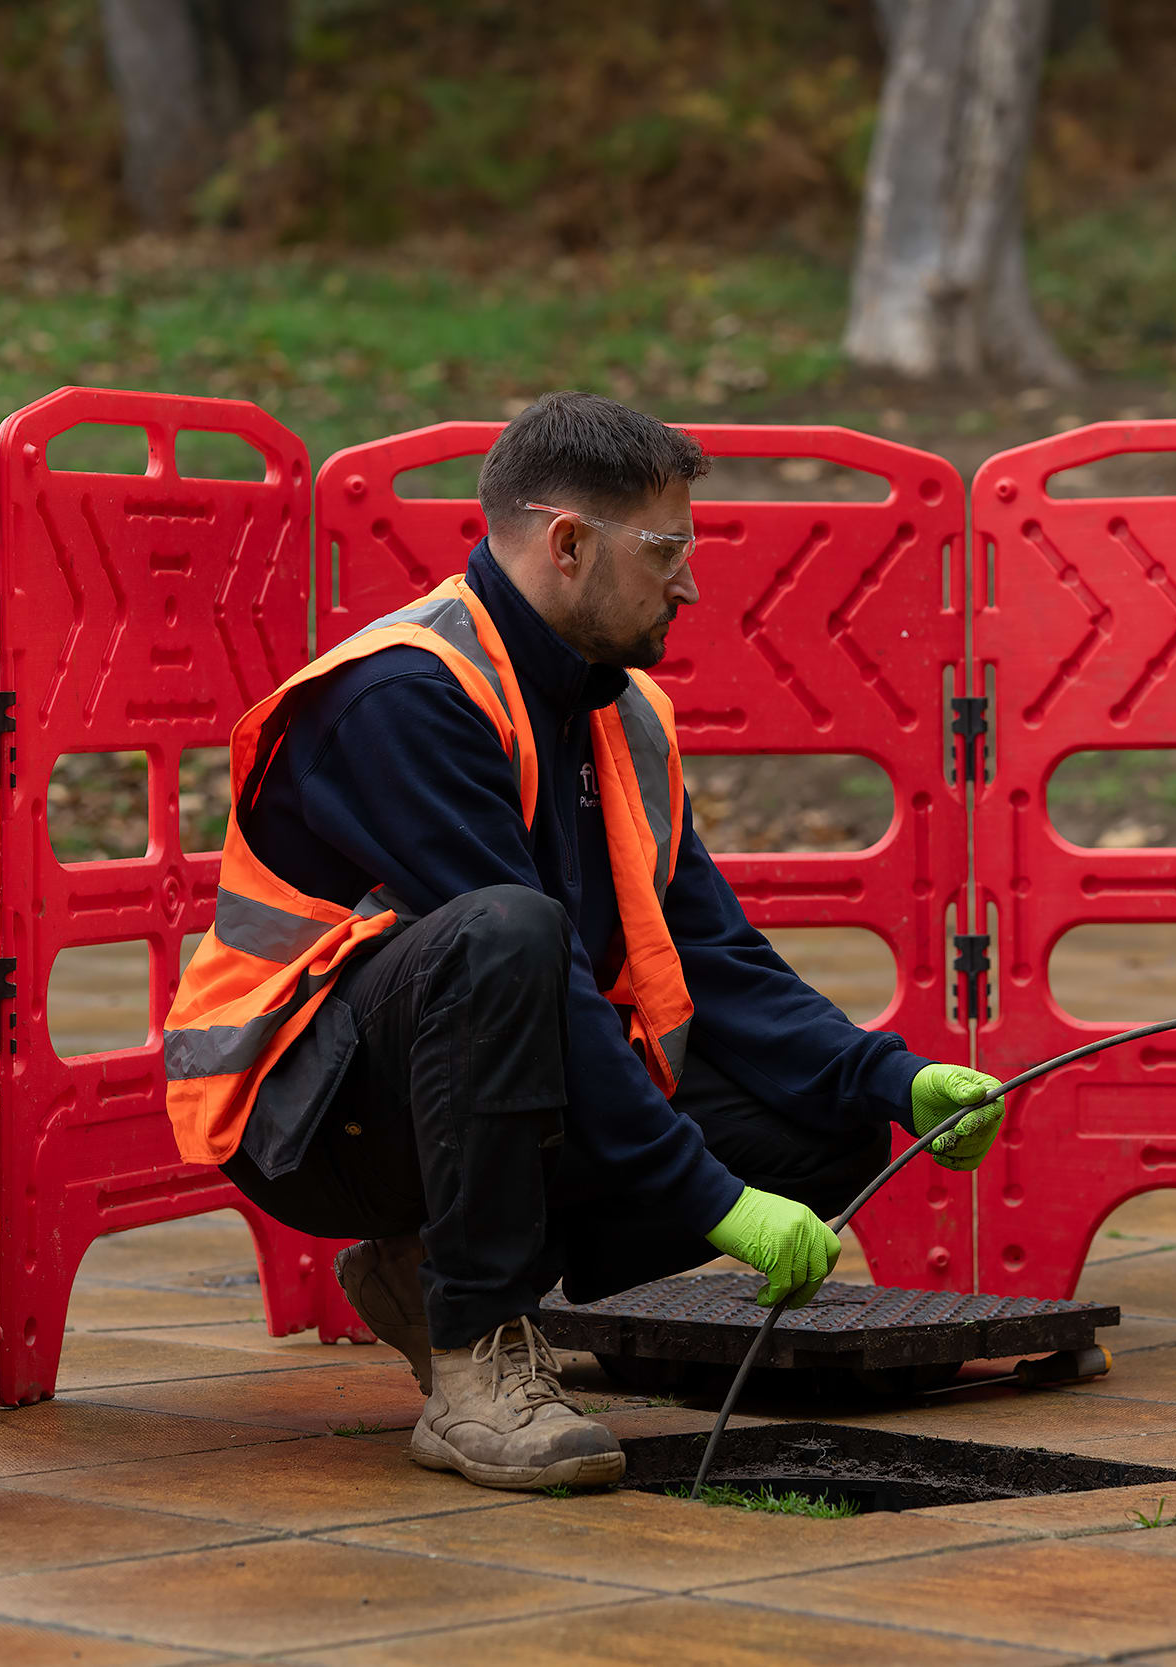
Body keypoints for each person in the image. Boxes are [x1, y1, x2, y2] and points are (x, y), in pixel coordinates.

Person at [162, 390, 1005, 1493]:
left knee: (825, 1126)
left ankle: (430, 1273)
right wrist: (710, 1200)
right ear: (566, 542)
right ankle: (475, 1352)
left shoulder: (623, 712)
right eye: (665, 550)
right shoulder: (403, 693)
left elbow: (712, 954)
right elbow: (529, 972)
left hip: (470, 1085)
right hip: (318, 1117)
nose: (689, 582)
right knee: (508, 932)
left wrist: (891, 1077)